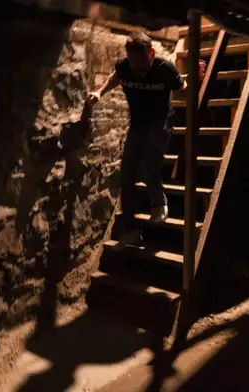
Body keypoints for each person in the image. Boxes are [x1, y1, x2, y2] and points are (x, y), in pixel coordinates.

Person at [88, 31, 206, 246]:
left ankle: (160, 203)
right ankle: (131, 230)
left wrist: (195, 80)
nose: (137, 69)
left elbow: (182, 88)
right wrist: (99, 92)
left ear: (151, 54)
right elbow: (116, 76)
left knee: (149, 165)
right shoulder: (124, 66)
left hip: (161, 121)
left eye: (141, 64)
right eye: (133, 63)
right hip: (138, 123)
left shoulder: (164, 69)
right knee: (126, 173)